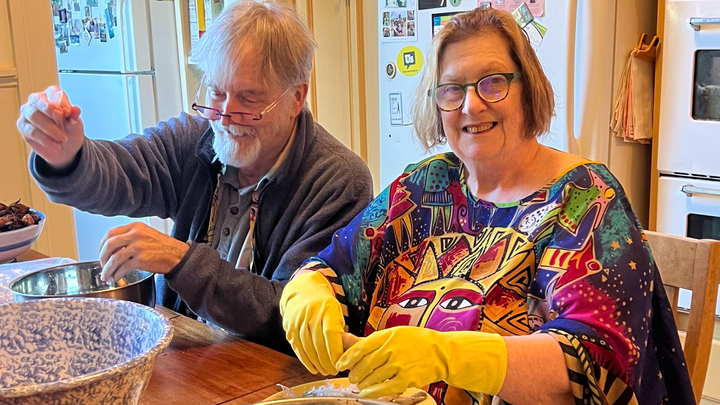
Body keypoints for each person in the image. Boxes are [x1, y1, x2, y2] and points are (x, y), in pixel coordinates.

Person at [279, 7, 693, 405]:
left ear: (528, 89)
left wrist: (448, 356)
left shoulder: (586, 198)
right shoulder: (421, 187)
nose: (471, 105)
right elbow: (334, 265)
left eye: (493, 82)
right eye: (452, 89)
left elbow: (591, 365)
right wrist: (307, 291)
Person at [16, 0, 373, 353]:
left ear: (296, 97)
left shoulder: (339, 181)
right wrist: (67, 155)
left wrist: (181, 261)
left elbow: (290, 318)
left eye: (249, 98)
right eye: (216, 92)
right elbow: (120, 171)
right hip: (188, 355)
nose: (225, 115)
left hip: (273, 373)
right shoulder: (196, 139)